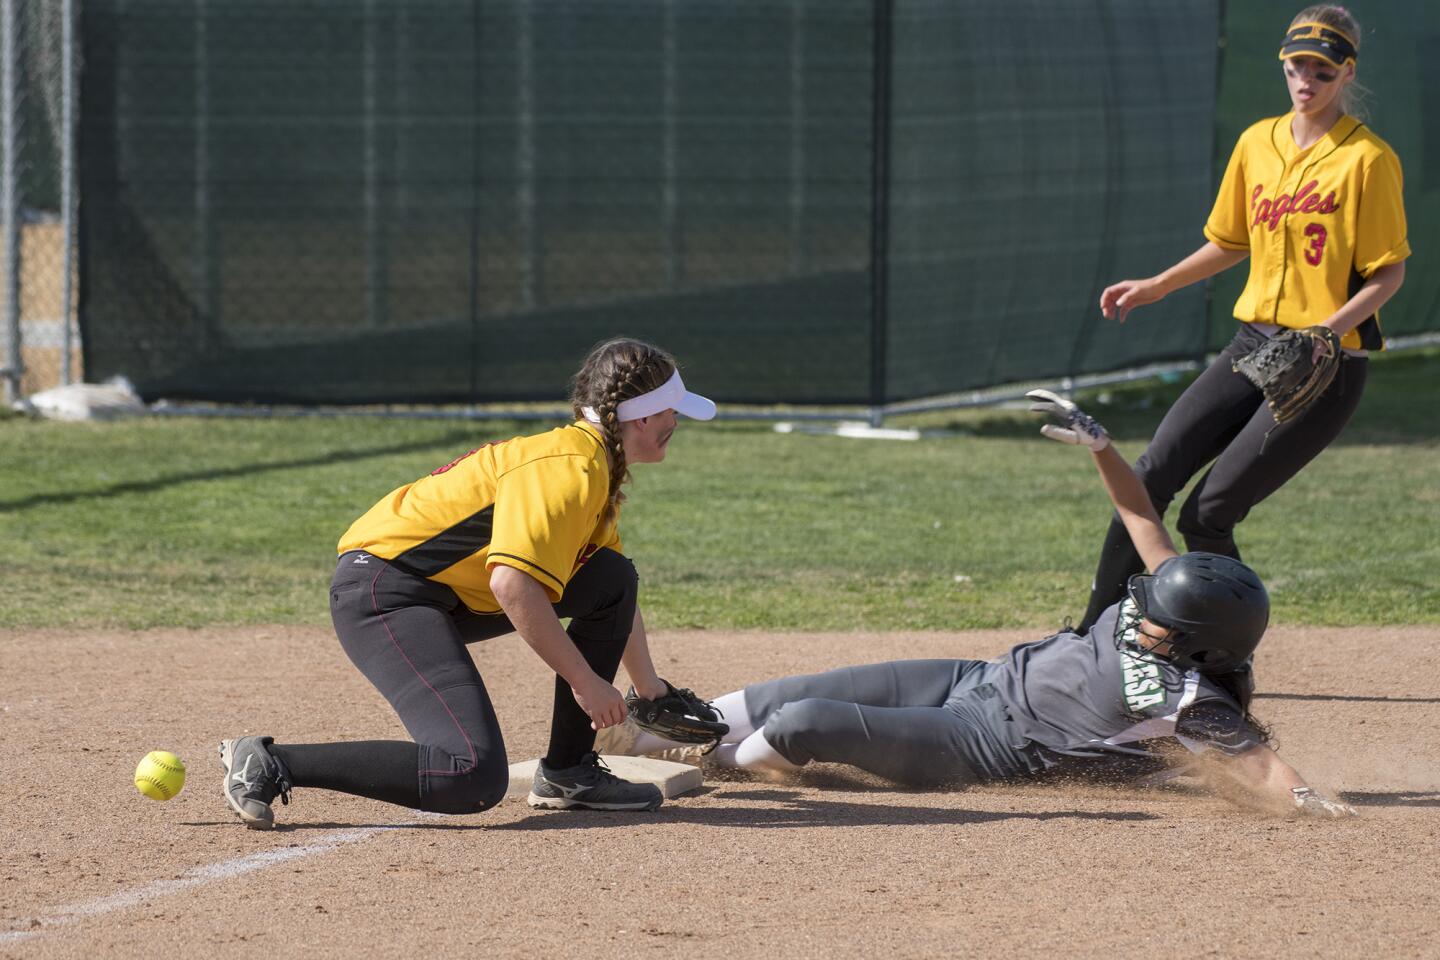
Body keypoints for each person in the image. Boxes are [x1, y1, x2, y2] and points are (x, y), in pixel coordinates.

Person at [599, 391, 1357, 819]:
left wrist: (1321, 808)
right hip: (973, 677)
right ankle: (648, 733)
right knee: (788, 691)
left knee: (802, 726)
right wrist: (1101, 448)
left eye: (1159, 618)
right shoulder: (1177, 599)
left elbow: (1264, 771)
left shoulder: (1190, 697)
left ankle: (718, 763)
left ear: (1200, 644)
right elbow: (1142, 519)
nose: (1144, 607)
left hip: (982, 744)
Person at [218, 337, 716, 828]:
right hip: (385, 594)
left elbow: (612, 590)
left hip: (440, 594)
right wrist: (587, 684)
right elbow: (513, 585)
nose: (676, 423)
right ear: (642, 415)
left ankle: (570, 773)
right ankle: (271, 761)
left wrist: (650, 691)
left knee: (610, 575)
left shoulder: (591, 466)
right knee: (470, 775)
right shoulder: (568, 470)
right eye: (672, 411)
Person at [1077, 5, 1409, 632]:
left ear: (1346, 74)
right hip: (1254, 343)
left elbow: (1389, 274)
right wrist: (1158, 285)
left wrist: (1327, 332)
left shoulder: (1367, 160)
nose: (1306, 79)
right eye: (1296, 67)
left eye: (1321, 69)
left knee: (1210, 512)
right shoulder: (1258, 142)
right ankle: (1096, 632)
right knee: (1148, 477)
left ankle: (1222, 652)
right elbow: (1232, 240)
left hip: (1324, 361)